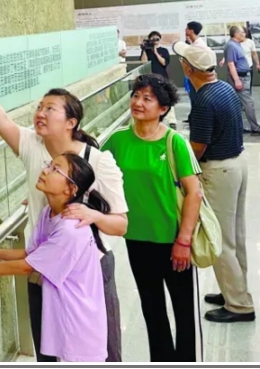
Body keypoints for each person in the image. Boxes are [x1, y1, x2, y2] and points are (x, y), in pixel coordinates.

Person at [0, 62, 128, 362]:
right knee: (49, 349)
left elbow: (121, 224)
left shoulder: (96, 161)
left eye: (50, 109)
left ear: (71, 122)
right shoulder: (33, 145)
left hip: (88, 270)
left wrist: (92, 215)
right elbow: (0, 119)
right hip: (44, 265)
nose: (40, 113)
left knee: (99, 352)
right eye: (39, 107)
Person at [0, 153, 109, 363]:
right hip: (66, 317)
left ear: (70, 189)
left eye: (56, 170)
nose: (45, 171)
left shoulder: (70, 230)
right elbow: (32, 254)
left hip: (79, 326)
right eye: (49, 165)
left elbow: (28, 266)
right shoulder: (49, 213)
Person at [102, 74, 204, 361]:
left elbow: (194, 192)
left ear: (163, 108)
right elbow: (91, 173)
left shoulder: (174, 143)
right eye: (136, 95)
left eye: (148, 98)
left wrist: (183, 240)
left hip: (173, 241)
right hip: (136, 239)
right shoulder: (118, 141)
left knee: (183, 310)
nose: (138, 102)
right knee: (152, 308)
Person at [173, 41, 256, 324]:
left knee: (219, 238)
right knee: (235, 236)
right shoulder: (223, 88)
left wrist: (179, 165)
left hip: (219, 172)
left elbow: (198, 147)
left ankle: (239, 306)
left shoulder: (204, 100)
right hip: (236, 164)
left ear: (188, 68)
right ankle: (235, 291)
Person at [224, 25, 260, 136]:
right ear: (236, 34)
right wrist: (237, 80)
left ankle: (238, 127)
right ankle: (255, 128)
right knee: (248, 102)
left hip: (243, 76)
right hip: (240, 78)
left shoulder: (236, 44)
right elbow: (231, 64)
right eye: (242, 32)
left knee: (238, 103)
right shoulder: (231, 46)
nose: (244, 34)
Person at [140, 31, 177, 127]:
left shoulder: (164, 50)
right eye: (153, 38)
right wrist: (144, 49)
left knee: (166, 98)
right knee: (151, 99)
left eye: (157, 38)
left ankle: (172, 121)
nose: (155, 40)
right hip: (149, 78)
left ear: (160, 39)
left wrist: (156, 52)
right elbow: (143, 62)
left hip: (162, 78)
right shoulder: (147, 50)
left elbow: (164, 63)